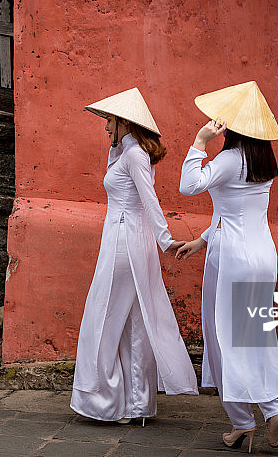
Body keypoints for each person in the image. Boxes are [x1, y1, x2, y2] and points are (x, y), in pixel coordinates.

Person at [176, 81, 278, 453]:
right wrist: (202, 239)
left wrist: (199, 142)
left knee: (224, 335)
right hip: (261, 254)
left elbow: (188, 185)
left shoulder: (230, 158)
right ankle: (275, 412)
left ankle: (243, 422)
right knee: (255, 333)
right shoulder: (264, 161)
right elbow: (235, 209)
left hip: (233, 259)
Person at [71, 87, 199, 425]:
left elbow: (149, 200)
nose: (104, 126)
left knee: (107, 319)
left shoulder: (134, 157)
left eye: (109, 120)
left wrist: (165, 239)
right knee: (128, 322)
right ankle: (132, 406)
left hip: (125, 244)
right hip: (118, 239)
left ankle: (108, 401)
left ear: (124, 122)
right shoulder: (122, 153)